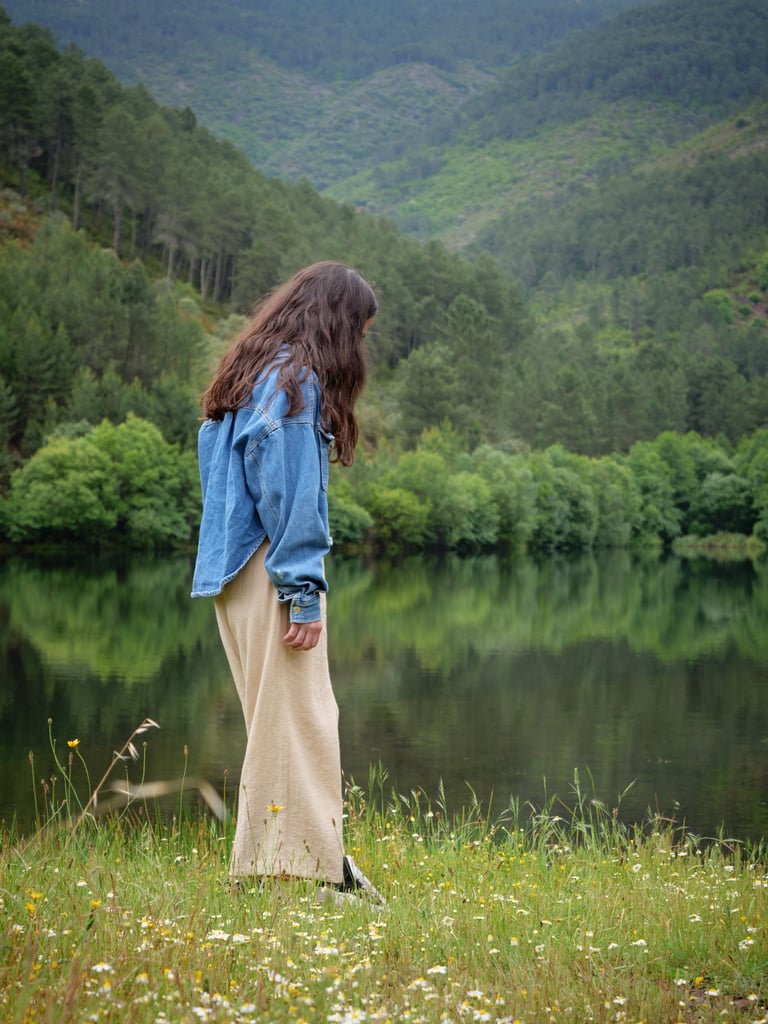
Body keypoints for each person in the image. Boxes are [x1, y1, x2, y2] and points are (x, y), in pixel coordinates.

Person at [191, 261, 382, 903]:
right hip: (272, 572)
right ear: (339, 323)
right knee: (302, 721)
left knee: (278, 725)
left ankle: (312, 866)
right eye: (360, 330)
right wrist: (302, 593)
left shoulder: (246, 373)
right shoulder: (296, 384)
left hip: (233, 576)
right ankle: (295, 877)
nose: (360, 346)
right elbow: (291, 499)